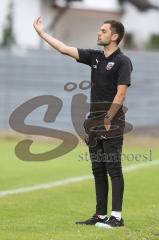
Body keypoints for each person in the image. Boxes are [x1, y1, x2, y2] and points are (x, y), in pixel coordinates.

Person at [33, 17, 133, 228]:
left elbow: (121, 94)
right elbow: (64, 49)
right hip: (94, 122)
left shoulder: (123, 61)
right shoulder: (95, 57)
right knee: (98, 169)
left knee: (113, 168)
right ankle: (100, 215)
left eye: (103, 31)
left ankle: (116, 217)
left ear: (114, 36)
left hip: (111, 122)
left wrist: (108, 117)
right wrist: (42, 34)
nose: (99, 33)